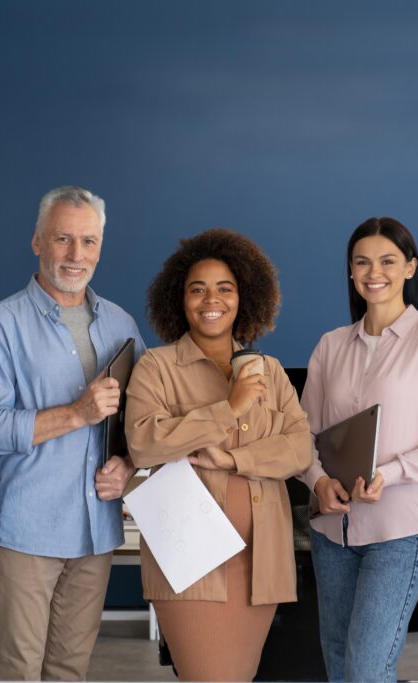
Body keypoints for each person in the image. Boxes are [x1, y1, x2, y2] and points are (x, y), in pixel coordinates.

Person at [0, 186, 144, 680]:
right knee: (18, 670)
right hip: (27, 531)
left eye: (88, 241)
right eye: (63, 239)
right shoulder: (1, 324)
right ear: (37, 242)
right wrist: (76, 413)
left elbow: (141, 419)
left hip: (95, 530)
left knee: (70, 669)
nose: (75, 254)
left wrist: (129, 466)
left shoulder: (121, 323)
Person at [124, 228, 312, 682]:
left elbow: (300, 447)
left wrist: (232, 461)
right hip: (191, 556)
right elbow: (144, 442)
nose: (212, 299)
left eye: (225, 288)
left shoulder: (267, 370)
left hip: (262, 561)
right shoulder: (157, 367)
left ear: (244, 297)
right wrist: (228, 408)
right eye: (198, 289)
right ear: (180, 299)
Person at [297, 217, 418, 682]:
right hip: (332, 531)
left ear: (410, 268)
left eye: (388, 260)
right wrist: (319, 481)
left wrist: (389, 474)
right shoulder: (330, 346)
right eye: (362, 262)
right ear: (351, 271)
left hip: (398, 531)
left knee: (367, 669)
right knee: (338, 662)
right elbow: (301, 435)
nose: (375, 272)